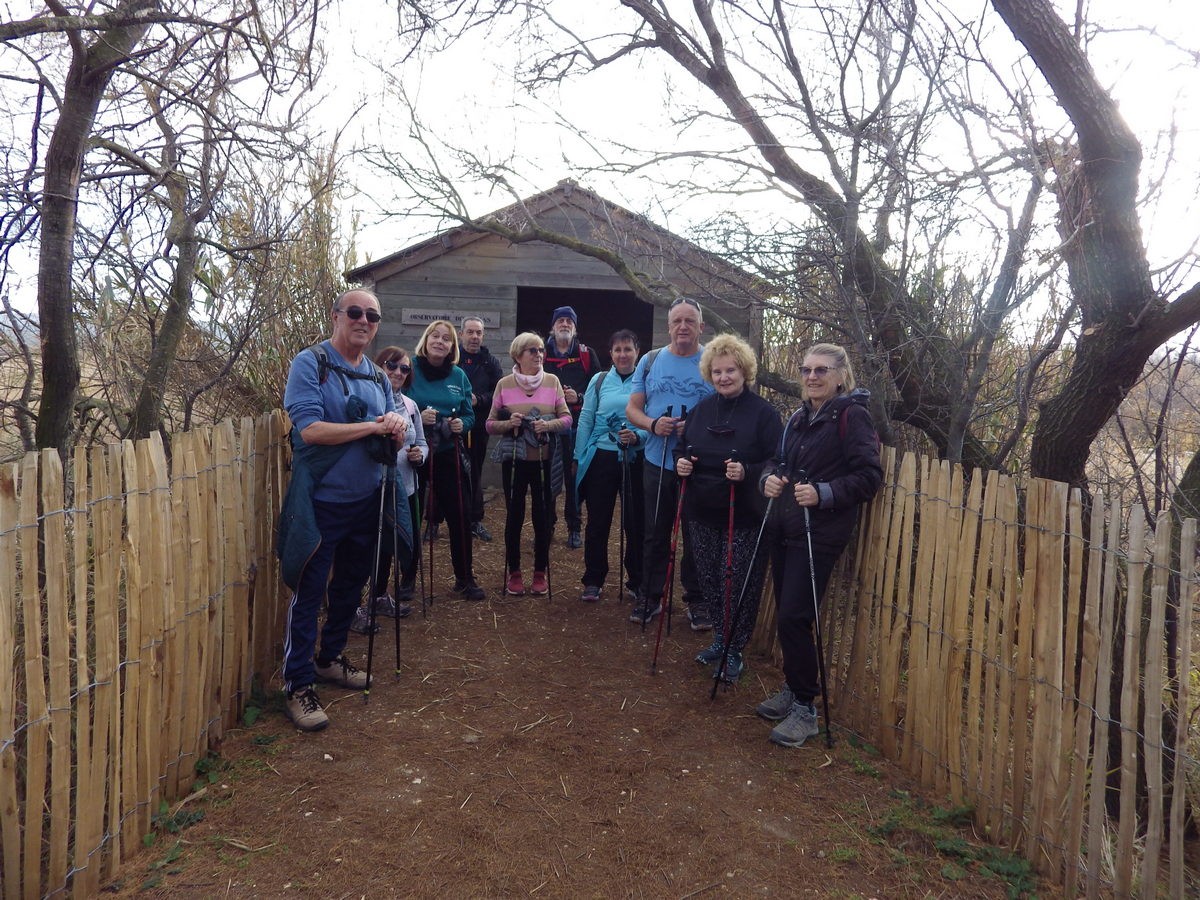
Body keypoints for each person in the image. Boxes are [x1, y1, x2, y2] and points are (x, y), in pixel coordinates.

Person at [276, 289, 413, 732]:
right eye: (355, 312)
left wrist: (398, 426)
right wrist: (374, 425)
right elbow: (311, 430)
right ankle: (297, 684)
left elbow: (397, 422)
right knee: (310, 590)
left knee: (351, 586)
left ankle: (329, 659)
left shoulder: (376, 376)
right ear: (335, 315)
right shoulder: (310, 363)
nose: (364, 320)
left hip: (368, 500)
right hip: (321, 502)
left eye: (372, 315)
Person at [758, 343, 882, 747]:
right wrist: (769, 479)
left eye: (822, 371)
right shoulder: (799, 416)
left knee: (795, 616)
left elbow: (869, 477)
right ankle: (795, 691)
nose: (812, 377)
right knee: (787, 613)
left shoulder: (852, 417)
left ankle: (805, 709)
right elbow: (778, 463)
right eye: (807, 370)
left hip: (819, 534)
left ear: (841, 376)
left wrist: (824, 493)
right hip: (786, 528)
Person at [674, 334, 782, 681]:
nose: (723, 377)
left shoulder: (764, 414)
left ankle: (735, 649)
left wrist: (748, 471)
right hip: (702, 511)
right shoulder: (703, 409)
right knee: (710, 579)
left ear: (744, 371)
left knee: (739, 582)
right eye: (717, 371)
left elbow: (777, 461)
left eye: (730, 370)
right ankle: (720, 639)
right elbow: (682, 446)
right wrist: (682, 464)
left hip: (745, 514)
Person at [625, 296, 715, 628]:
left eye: (689, 321)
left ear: (701, 327)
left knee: (697, 533)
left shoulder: (713, 362)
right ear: (668, 326)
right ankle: (651, 595)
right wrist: (652, 424)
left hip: (699, 464)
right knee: (655, 532)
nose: (683, 327)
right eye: (677, 321)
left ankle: (697, 599)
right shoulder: (649, 361)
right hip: (657, 458)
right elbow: (633, 408)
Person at [487, 332, 572, 596]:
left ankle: (539, 571)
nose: (538, 355)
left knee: (542, 516)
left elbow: (567, 419)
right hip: (514, 462)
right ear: (518, 355)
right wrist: (508, 423)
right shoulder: (504, 384)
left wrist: (547, 424)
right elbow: (489, 425)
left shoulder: (552, 380)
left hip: (544, 462)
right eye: (532, 351)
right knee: (514, 516)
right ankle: (514, 572)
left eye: (540, 350)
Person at [407, 319, 486, 601]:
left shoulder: (458, 376)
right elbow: (396, 403)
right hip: (414, 454)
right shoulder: (410, 369)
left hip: (447, 452)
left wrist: (460, 425)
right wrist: (418, 416)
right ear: (426, 340)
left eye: (446, 338)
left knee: (460, 513)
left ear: (453, 346)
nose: (440, 341)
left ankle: (465, 577)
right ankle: (407, 579)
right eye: (435, 336)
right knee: (412, 515)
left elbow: (469, 414)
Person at [351, 346, 428, 634]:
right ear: (379, 366)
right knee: (365, 546)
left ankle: (379, 596)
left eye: (404, 369)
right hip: (372, 484)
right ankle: (353, 607)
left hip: (404, 485)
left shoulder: (409, 405)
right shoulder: (369, 401)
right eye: (392, 365)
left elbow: (420, 441)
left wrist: (421, 454)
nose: (397, 372)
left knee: (388, 546)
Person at [574, 329, 648, 603]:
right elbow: (586, 419)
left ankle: (637, 579)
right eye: (617, 350)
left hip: (635, 458)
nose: (623, 354)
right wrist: (579, 456)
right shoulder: (599, 380)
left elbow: (652, 418)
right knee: (598, 521)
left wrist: (638, 435)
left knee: (636, 522)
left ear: (637, 352)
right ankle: (593, 579)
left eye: (628, 349)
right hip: (602, 457)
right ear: (611, 354)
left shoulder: (646, 381)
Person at [542, 305, 602, 550]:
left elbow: (600, 389)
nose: (564, 324)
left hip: (577, 427)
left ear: (575, 328)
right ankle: (547, 526)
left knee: (574, 479)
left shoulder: (587, 355)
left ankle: (574, 527)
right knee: (548, 479)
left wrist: (579, 397)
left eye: (569, 321)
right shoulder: (541, 353)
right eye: (560, 321)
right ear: (553, 326)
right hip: (548, 426)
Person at [458, 316, 504, 542]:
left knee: (474, 472)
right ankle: (435, 521)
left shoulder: (489, 362)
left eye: (479, 333)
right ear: (462, 334)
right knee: (445, 472)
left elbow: (499, 392)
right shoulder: (452, 358)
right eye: (470, 332)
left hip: (477, 426)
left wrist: (480, 400)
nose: (475, 337)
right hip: (451, 426)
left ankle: (475, 520)